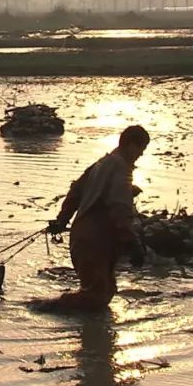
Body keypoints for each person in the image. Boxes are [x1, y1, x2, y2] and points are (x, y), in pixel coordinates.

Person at [45, 125, 150, 311]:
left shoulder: (103, 163)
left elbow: (76, 191)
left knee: (105, 291)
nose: (141, 154)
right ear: (131, 145)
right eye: (141, 149)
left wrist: (62, 220)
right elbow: (120, 210)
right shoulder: (121, 169)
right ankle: (46, 309)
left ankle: (88, 330)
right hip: (95, 241)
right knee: (95, 297)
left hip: (84, 238)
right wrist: (133, 244)